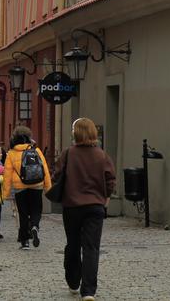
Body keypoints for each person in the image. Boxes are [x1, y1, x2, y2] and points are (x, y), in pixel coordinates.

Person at [54, 118, 115, 300]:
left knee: (72, 244)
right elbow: (110, 180)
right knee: (91, 248)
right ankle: (88, 291)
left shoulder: (68, 153)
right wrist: (106, 196)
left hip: (72, 206)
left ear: (75, 134)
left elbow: (57, 175)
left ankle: (73, 281)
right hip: (95, 206)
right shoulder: (102, 155)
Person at [2, 126, 52, 250]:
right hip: (37, 185)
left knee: (23, 213)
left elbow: (7, 174)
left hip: (20, 187)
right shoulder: (36, 151)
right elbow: (44, 169)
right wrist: (48, 188)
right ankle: (35, 226)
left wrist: (5, 193)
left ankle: (25, 242)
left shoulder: (11, 153)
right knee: (36, 209)